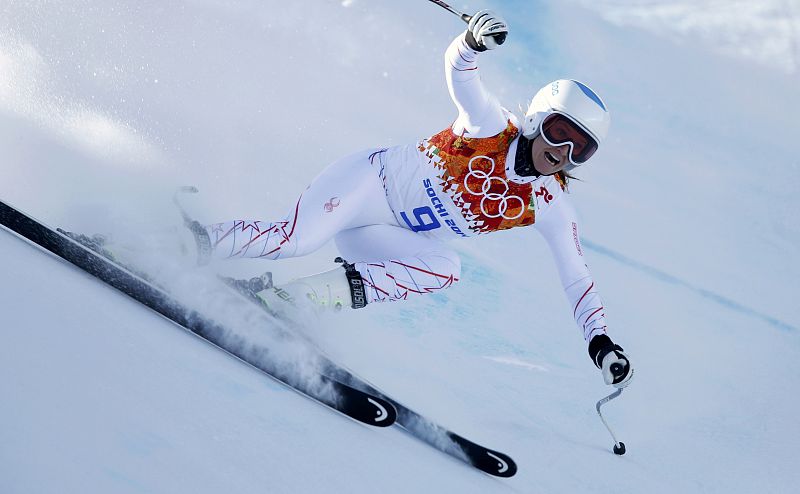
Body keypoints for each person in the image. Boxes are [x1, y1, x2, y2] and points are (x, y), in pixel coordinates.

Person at [187, 10, 633, 388]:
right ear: (537, 118)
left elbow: (577, 279)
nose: (563, 152)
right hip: (364, 185)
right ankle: (191, 242)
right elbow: (460, 72)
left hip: (383, 234)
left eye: (581, 148)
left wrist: (600, 342)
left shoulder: (549, 205)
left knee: (447, 268)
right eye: (560, 132)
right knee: (296, 241)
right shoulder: (489, 126)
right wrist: (471, 43)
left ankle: (289, 301)